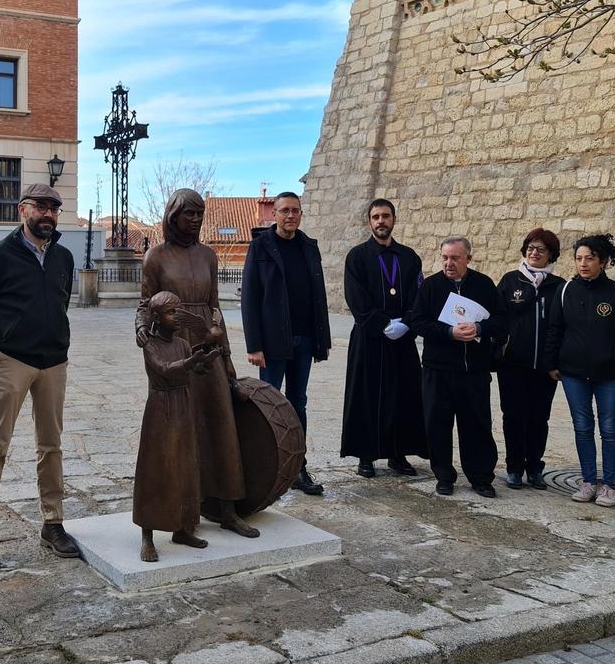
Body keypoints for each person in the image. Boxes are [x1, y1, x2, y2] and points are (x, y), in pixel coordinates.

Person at [0, 183, 80, 573]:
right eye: (40, 207)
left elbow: (61, 304)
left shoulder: (63, 257)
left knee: (51, 445)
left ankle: (53, 523)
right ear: (22, 210)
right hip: (12, 362)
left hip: (54, 363)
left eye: (54, 208)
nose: (48, 214)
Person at [137, 189, 259, 538]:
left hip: (207, 342)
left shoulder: (208, 255)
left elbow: (215, 304)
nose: (195, 220)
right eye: (189, 213)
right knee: (180, 431)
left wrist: (225, 348)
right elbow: (145, 304)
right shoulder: (155, 258)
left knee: (220, 421)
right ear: (173, 215)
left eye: (199, 214)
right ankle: (182, 513)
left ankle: (227, 508)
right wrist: (142, 331)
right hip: (174, 344)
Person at [240, 191, 332, 495]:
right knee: (268, 405)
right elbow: (250, 298)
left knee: (298, 403)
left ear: (301, 214)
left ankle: (297, 467)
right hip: (272, 340)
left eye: (295, 211)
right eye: (284, 211)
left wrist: (323, 339)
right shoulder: (261, 246)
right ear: (274, 214)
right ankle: (265, 467)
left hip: (305, 338)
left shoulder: (309, 246)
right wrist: (254, 345)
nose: (290, 216)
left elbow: (319, 296)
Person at [544, 235, 615, 507]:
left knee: (609, 428)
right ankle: (589, 481)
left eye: (590, 258)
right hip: (573, 373)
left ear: (603, 261)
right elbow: (554, 330)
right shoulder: (565, 291)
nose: (583, 263)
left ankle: (609, 485)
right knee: (582, 427)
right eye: (579, 258)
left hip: (610, 375)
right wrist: (552, 363)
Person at [410, 236, 505, 497]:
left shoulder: (484, 285)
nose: (448, 263)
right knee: (437, 425)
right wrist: (449, 332)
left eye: (455, 258)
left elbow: (502, 320)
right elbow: (418, 322)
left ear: (468, 259)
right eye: (444, 257)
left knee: (476, 426)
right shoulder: (430, 286)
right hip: (437, 370)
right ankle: (443, 476)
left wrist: (480, 328)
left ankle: (480, 477)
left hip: (473, 371)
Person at [339, 198, 427, 478]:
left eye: (385, 216)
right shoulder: (357, 256)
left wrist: (407, 325)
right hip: (369, 338)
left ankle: (397, 454)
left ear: (394, 220)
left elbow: (418, 295)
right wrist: (380, 324)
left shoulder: (410, 257)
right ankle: (366, 455)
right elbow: (356, 296)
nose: (381, 221)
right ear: (369, 222)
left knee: (402, 395)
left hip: (402, 338)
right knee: (366, 395)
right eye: (376, 216)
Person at [134, 291, 221, 562]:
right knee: (156, 468)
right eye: (173, 313)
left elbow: (192, 370)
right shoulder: (150, 344)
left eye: (180, 311)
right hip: (161, 408)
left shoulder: (183, 343)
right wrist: (190, 362)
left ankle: (183, 528)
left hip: (183, 406)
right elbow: (164, 368)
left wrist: (204, 360)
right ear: (157, 318)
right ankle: (147, 536)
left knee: (186, 464)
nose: (179, 317)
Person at [495, 228, 565, 490]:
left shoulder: (559, 286)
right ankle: (514, 467)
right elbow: (497, 318)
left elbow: (562, 327)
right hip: (512, 365)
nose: (534, 253)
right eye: (530, 248)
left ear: (551, 255)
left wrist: (556, 362)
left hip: (545, 368)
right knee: (512, 416)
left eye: (541, 249)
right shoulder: (510, 280)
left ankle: (534, 467)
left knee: (538, 418)